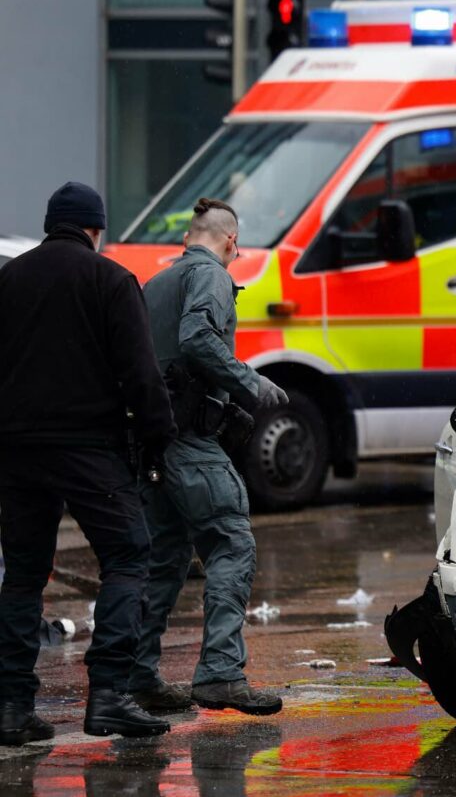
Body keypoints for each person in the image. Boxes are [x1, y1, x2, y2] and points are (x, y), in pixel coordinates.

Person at [0, 182, 176, 744]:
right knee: (128, 554)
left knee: (23, 574)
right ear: (96, 229)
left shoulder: (9, 279)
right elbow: (141, 373)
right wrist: (158, 437)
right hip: (88, 447)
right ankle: (110, 696)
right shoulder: (110, 280)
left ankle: (11, 708)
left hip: (17, 449)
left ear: (51, 224)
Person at [128, 197, 288, 715]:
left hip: (152, 445)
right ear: (231, 242)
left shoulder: (155, 286)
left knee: (164, 559)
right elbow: (197, 338)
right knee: (231, 543)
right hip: (191, 443)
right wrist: (250, 382)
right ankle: (220, 673)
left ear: (187, 237)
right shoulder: (212, 276)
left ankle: (138, 677)